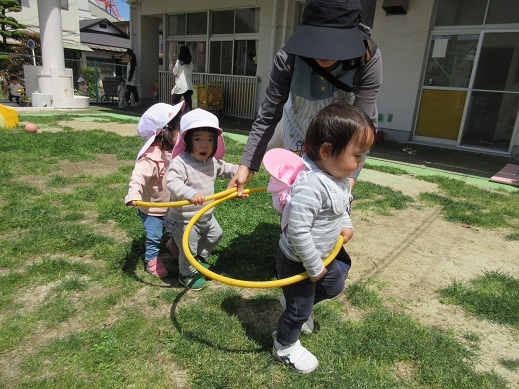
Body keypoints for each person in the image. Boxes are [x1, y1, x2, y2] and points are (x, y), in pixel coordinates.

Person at [227, 0, 382, 278]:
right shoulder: (288, 56)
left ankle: (321, 254)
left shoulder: (369, 58)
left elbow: (363, 126)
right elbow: (268, 113)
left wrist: (348, 180)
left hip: (346, 136)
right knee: (299, 197)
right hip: (300, 126)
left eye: (332, 44)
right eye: (317, 41)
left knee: (331, 200)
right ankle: (291, 260)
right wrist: (247, 165)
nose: (323, 52)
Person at [265, 102, 376, 373]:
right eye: (357, 155)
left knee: (335, 283)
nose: (361, 162)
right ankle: (284, 345)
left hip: (323, 254)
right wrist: (313, 266)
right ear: (327, 151)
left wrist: (345, 223)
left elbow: (341, 204)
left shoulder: (336, 175)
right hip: (299, 259)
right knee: (299, 312)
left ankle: (293, 300)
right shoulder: (311, 185)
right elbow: (298, 230)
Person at [166, 109, 238, 291]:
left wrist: (243, 171)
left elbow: (226, 168)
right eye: (198, 139)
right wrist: (189, 193)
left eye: (210, 139)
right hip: (184, 219)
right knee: (188, 247)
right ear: (188, 140)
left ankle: (198, 258)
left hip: (206, 215)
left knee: (216, 234)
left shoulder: (212, 162)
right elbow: (172, 182)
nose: (204, 145)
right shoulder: (180, 162)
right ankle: (187, 273)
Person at [125, 102, 185, 278]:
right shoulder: (150, 157)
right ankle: (152, 259)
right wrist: (133, 194)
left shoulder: (175, 152)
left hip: (172, 206)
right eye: (180, 131)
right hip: (152, 209)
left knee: (177, 229)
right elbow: (138, 177)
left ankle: (173, 244)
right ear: (166, 131)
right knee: (154, 236)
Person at [171, 45, 194, 112]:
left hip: (180, 86)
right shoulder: (190, 63)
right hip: (188, 86)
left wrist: (173, 67)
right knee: (188, 105)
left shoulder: (178, 63)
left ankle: (174, 119)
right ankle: (188, 120)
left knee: (175, 104)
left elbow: (175, 73)